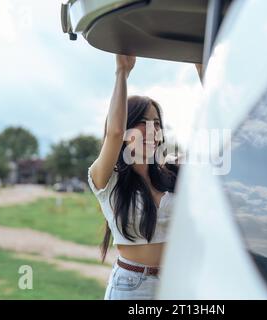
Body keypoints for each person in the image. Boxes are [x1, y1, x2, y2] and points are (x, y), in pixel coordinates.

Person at [88, 54, 202, 299]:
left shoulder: (174, 174)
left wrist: (205, 70)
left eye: (157, 123)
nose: (152, 129)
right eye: (141, 121)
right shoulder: (106, 180)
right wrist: (122, 71)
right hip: (132, 286)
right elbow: (114, 132)